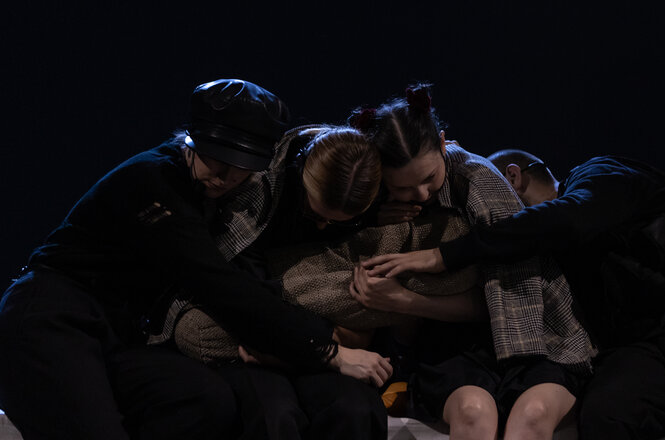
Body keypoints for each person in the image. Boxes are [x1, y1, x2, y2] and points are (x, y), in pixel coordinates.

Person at [0, 79, 390, 440]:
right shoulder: (153, 183)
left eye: (237, 169)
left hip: (116, 333)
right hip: (53, 314)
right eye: (214, 158)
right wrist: (328, 351)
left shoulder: (227, 200)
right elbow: (222, 287)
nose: (221, 177)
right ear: (192, 139)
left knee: (205, 398)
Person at [364, 148, 665, 440]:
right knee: (607, 412)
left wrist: (444, 255)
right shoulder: (554, 261)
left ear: (512, 179)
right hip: (647, 345)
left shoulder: (600, 174)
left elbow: (570, 218)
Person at [349, 85, 596, 440]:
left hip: (538, 336)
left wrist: (404, 299)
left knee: (533, 414)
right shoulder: (378, 200)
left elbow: (510, 302)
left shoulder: (479, 183)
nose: (421, 194)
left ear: (443, 143)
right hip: (452, 344)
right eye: (403, 188)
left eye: (428, 178)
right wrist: (378, 221)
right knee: (473, 412)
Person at [180, 123, 392, 440]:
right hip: (259, 325)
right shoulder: (256, 192)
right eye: (315, 214)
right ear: (301, 176)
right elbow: (250, 302)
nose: (322, 228)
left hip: (316, 323)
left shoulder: (372, 194)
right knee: (273, 412)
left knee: (355, 409)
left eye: (339, 222)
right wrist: (332, 343)